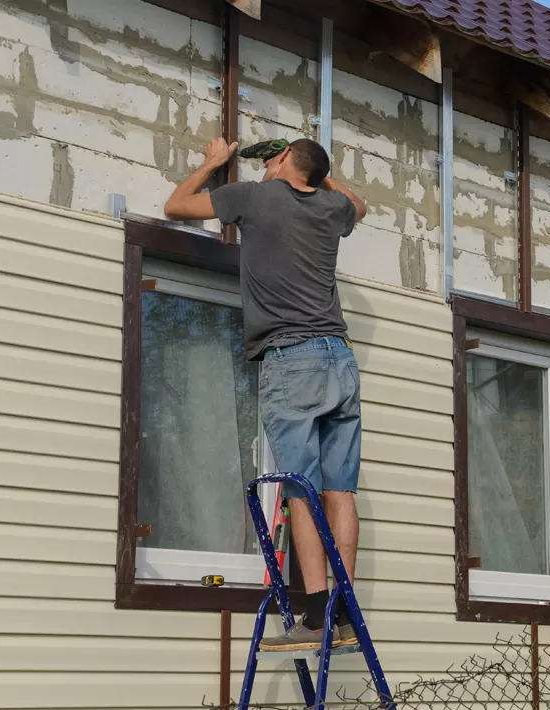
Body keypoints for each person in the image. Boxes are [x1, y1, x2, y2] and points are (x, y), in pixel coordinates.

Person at [164, 136, 368, 651]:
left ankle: (318, 617)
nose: (265, 164)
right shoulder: (332, 206)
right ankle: (342, 609)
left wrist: (212, 163)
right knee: (340, 489)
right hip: (339, 358)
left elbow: (176, 206)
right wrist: (318, 177)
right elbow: (360, 205)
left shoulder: (256, 196)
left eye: (272, 159)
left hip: (291, 357)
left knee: (301, 488)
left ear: (281, 165)